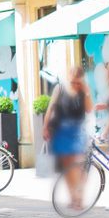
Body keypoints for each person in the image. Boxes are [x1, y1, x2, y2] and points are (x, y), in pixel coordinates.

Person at [43, 66, 94, 210]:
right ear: (68, 78)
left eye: (78, 82)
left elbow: (89, 109)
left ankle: (79, 196)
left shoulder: (84, 90)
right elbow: (51, 107)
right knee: (67, 167)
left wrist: (86, 91)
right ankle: (73, 197)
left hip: (78, 130)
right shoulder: (60, 89)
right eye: (73, 82)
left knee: (78, 165)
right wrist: (45, 126)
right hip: (61, 131)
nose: (75, 85)